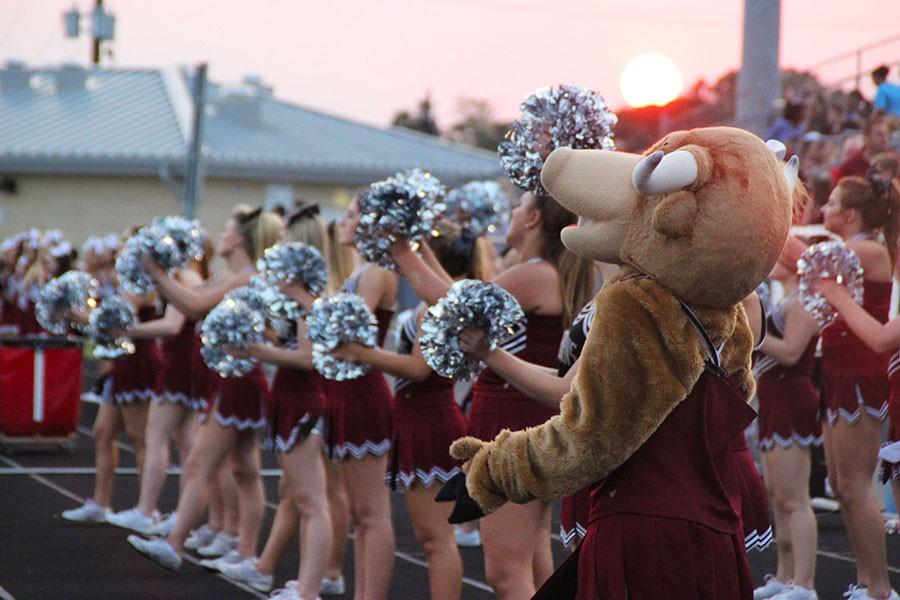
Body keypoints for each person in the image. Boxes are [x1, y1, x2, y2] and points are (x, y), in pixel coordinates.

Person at [390, 191, 594, 600]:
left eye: (518, 207)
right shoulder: (539, 271)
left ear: (534, 219)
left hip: (512, 424)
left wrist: (401, 251)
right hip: (523, 418)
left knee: (505, 573)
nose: (512, 213)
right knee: (534, 564)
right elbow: (459, 296)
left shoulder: (533, 273)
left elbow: (454, 307)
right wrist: (421, 246)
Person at [332, 221, 488, 600]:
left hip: (432, 420)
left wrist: (362, 354)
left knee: (436, 539)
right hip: (418, 419)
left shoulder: (437, 308)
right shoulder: (428, 305)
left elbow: (419, 369)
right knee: (430, 537)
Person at [126, 206, 283, 572]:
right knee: (244, 468)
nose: (221, 235)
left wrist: (155, 271)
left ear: (241, 239)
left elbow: (193, 305)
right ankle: (242, 547)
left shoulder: (248, 278)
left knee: (200, 462)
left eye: (227, 230)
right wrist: (163, 273)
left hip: (239, 378)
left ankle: (175, 545)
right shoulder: (228, 275)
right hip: (227, 376)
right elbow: (192, 303)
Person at [219, 204, 335, 600]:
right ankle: (298, 583)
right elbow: (287, 344)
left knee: (312, 504)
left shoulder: (311, 299)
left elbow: (306, 357)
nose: (278, 248)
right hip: (287, 399)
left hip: (303, 403)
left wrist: (255, 350)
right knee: (301, 500)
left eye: (285, 242)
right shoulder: (294, 298)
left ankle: (308, 591)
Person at [810, 173, 900, 600]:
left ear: (849, 214)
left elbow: (804, 261)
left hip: (862, 370)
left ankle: (880, 586)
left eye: (831, 203)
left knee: (858, 483)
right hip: (840, 367)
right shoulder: (860, 247)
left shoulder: (868, 248)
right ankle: (867, 580)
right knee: (845, 485)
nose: (822, 209)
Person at [104, 249, 210, 535]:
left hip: (180, 361)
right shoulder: (187, 275)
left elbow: (173, 325)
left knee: (157, 434)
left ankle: (147, 509)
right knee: (186, 441)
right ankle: (182, 514)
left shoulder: (186, 275)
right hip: (181, 359)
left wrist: (126, 330)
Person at [326, 195, 399, 600]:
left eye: (351, 215)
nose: (342, 221)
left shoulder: (377, 272)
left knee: (372, 513)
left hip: (364, 395)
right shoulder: (359, 271)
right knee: (359, 515)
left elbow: (347, 332)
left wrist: (303, 300)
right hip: (345, 393)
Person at [751, 258, 821, 600]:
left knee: (795, 497)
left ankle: (804, 583)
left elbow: (791, 353)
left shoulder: (805, 300)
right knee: (777, 496)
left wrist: (752, 330)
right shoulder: (787, 299)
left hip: (791, 396)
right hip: (774, 397)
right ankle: (784, 574)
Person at [831, 115, 892, 184]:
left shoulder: (895, 161)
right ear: (866, 138)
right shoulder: (853, 164)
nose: (884, 139)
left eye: (886, 134)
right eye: (879, 135)